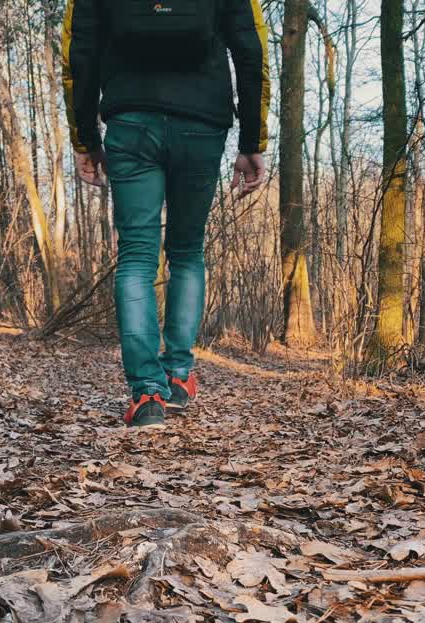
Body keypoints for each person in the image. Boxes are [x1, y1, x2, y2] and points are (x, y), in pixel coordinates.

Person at [62, 0, 271, 428]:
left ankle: (146, 394)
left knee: (137, 255)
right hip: (202, 122)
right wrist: (252, 141)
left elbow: (78, 52)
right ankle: (178, 376)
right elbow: (252, 51)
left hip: (131, 121)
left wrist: (84, 138)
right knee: (187, 252)